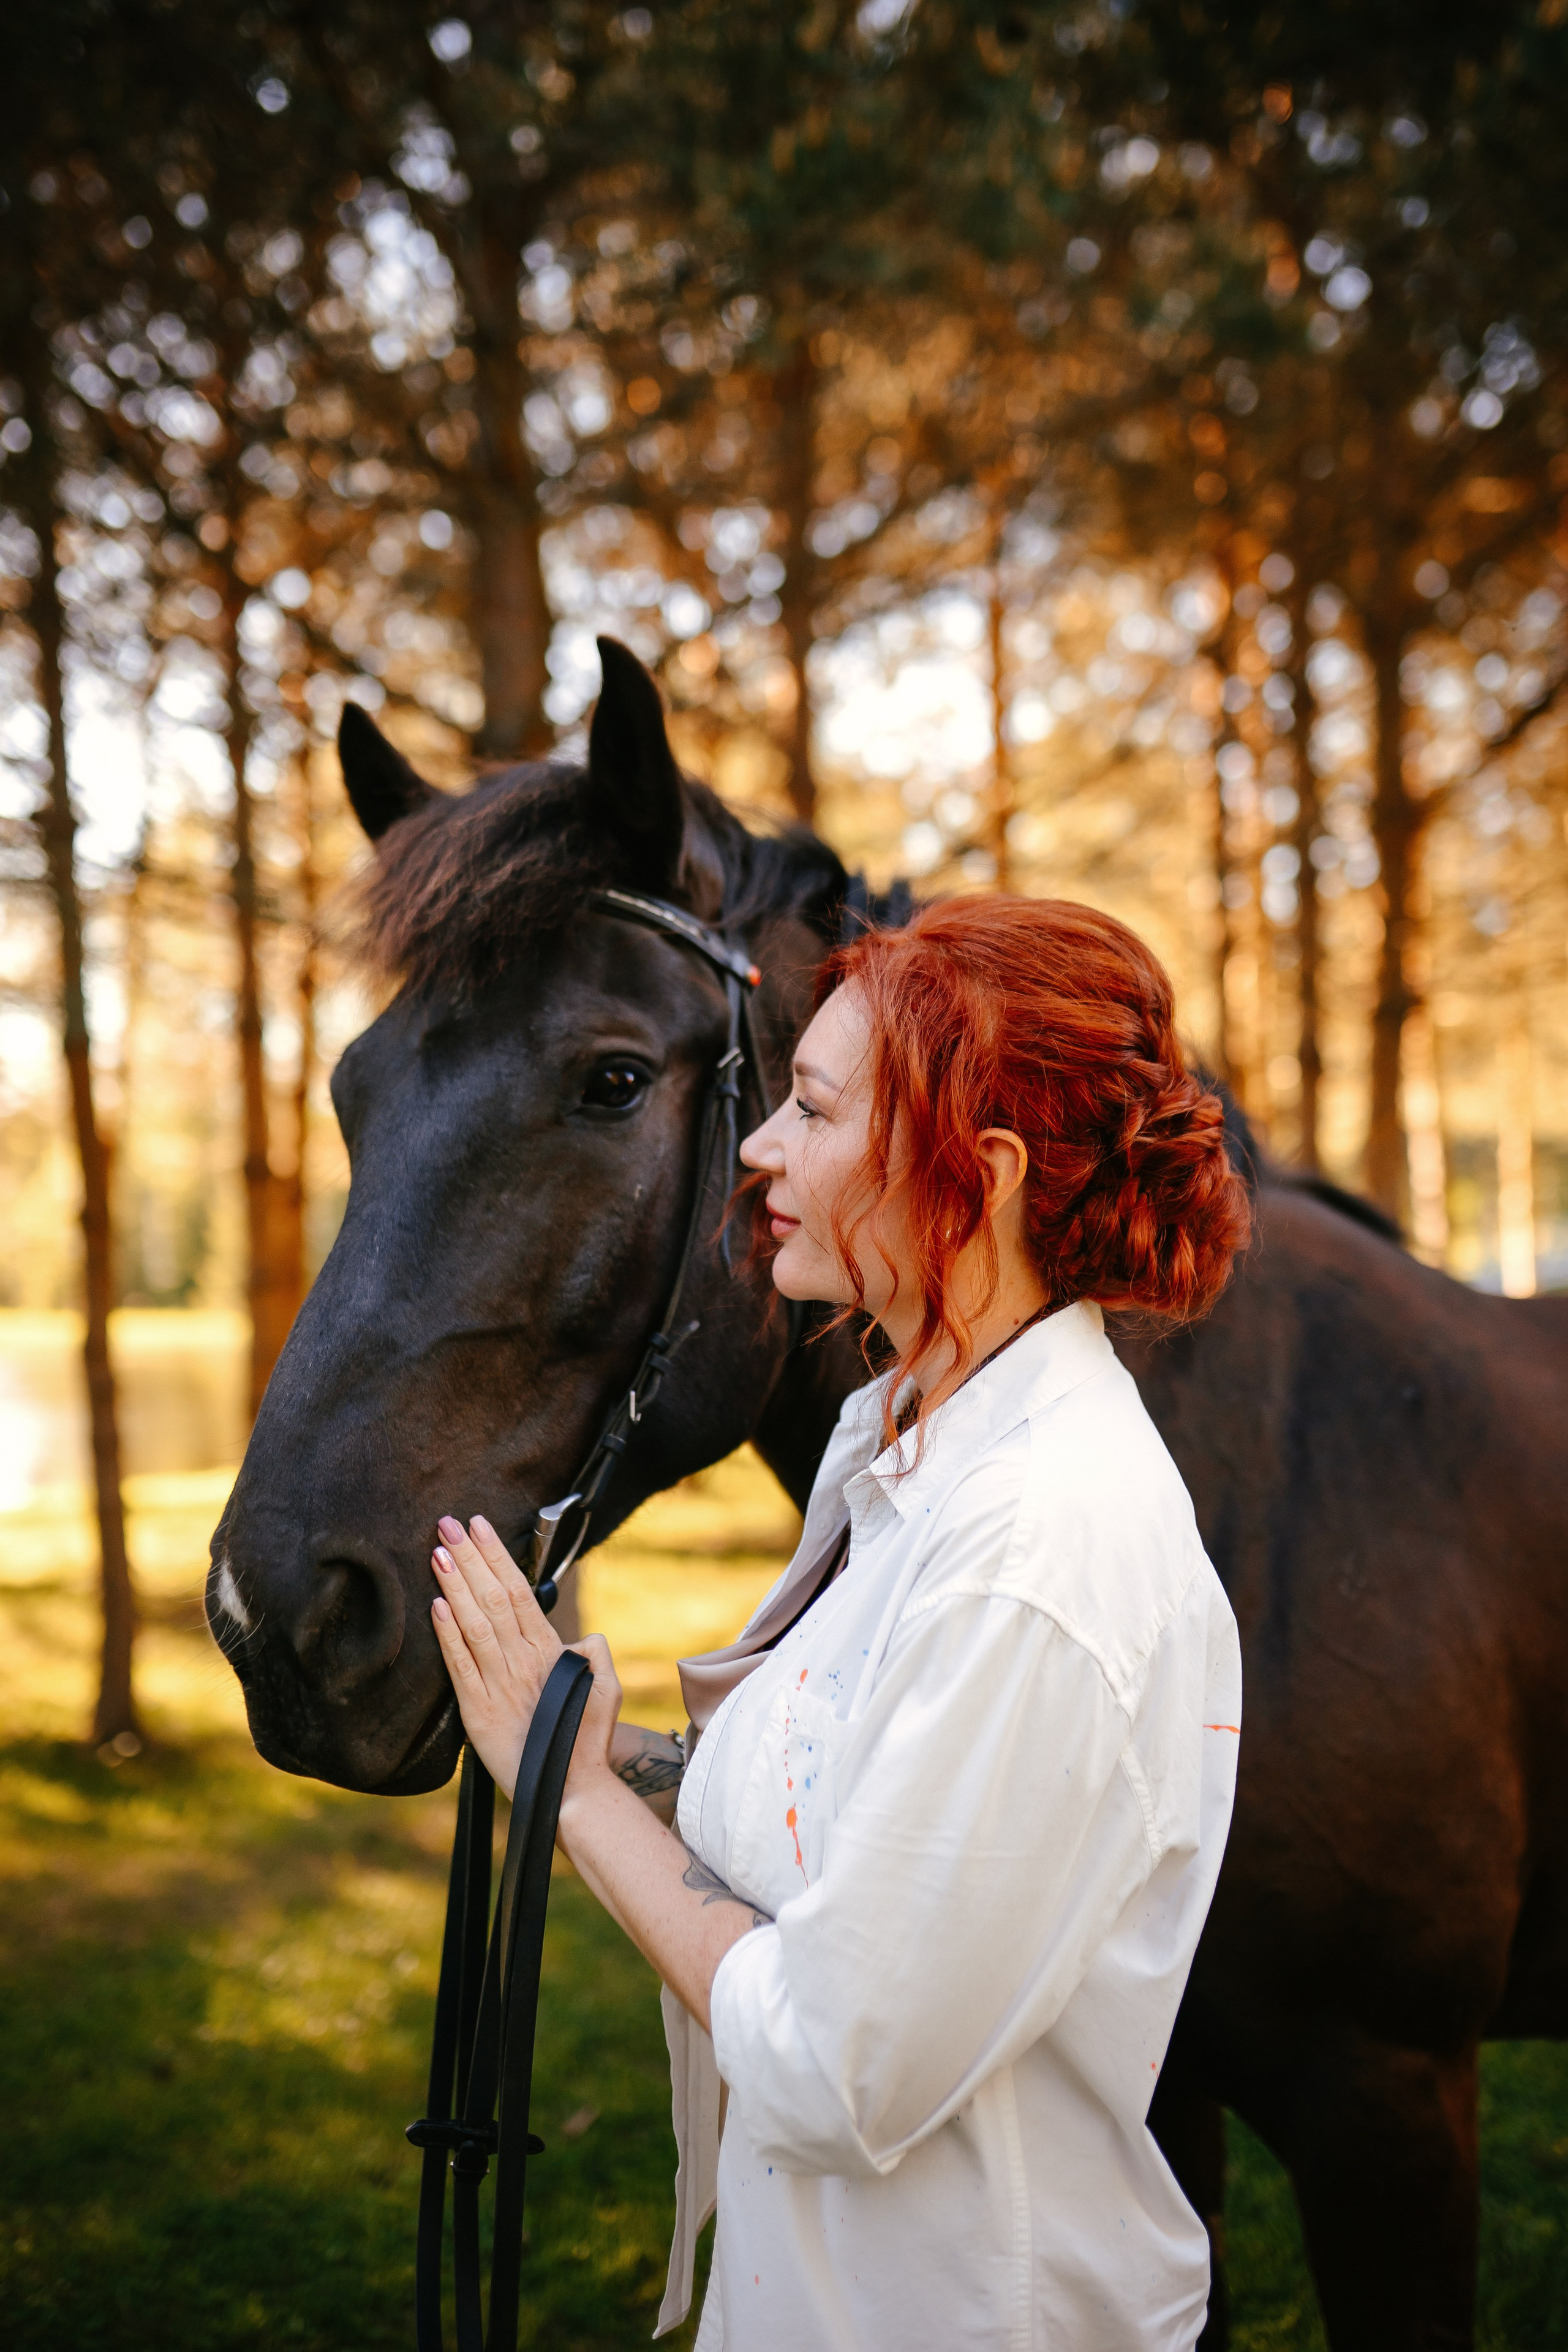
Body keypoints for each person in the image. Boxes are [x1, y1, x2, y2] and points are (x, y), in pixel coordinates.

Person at [426, 894, 1252, 2350]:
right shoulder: (902, 1435)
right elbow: (857, 1821)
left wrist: (557, 1783)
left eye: (810, 1107)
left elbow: (831, 2066)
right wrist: (635, 1763)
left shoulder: (1039, 1553)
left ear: (977, 1175)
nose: (760, 1147)